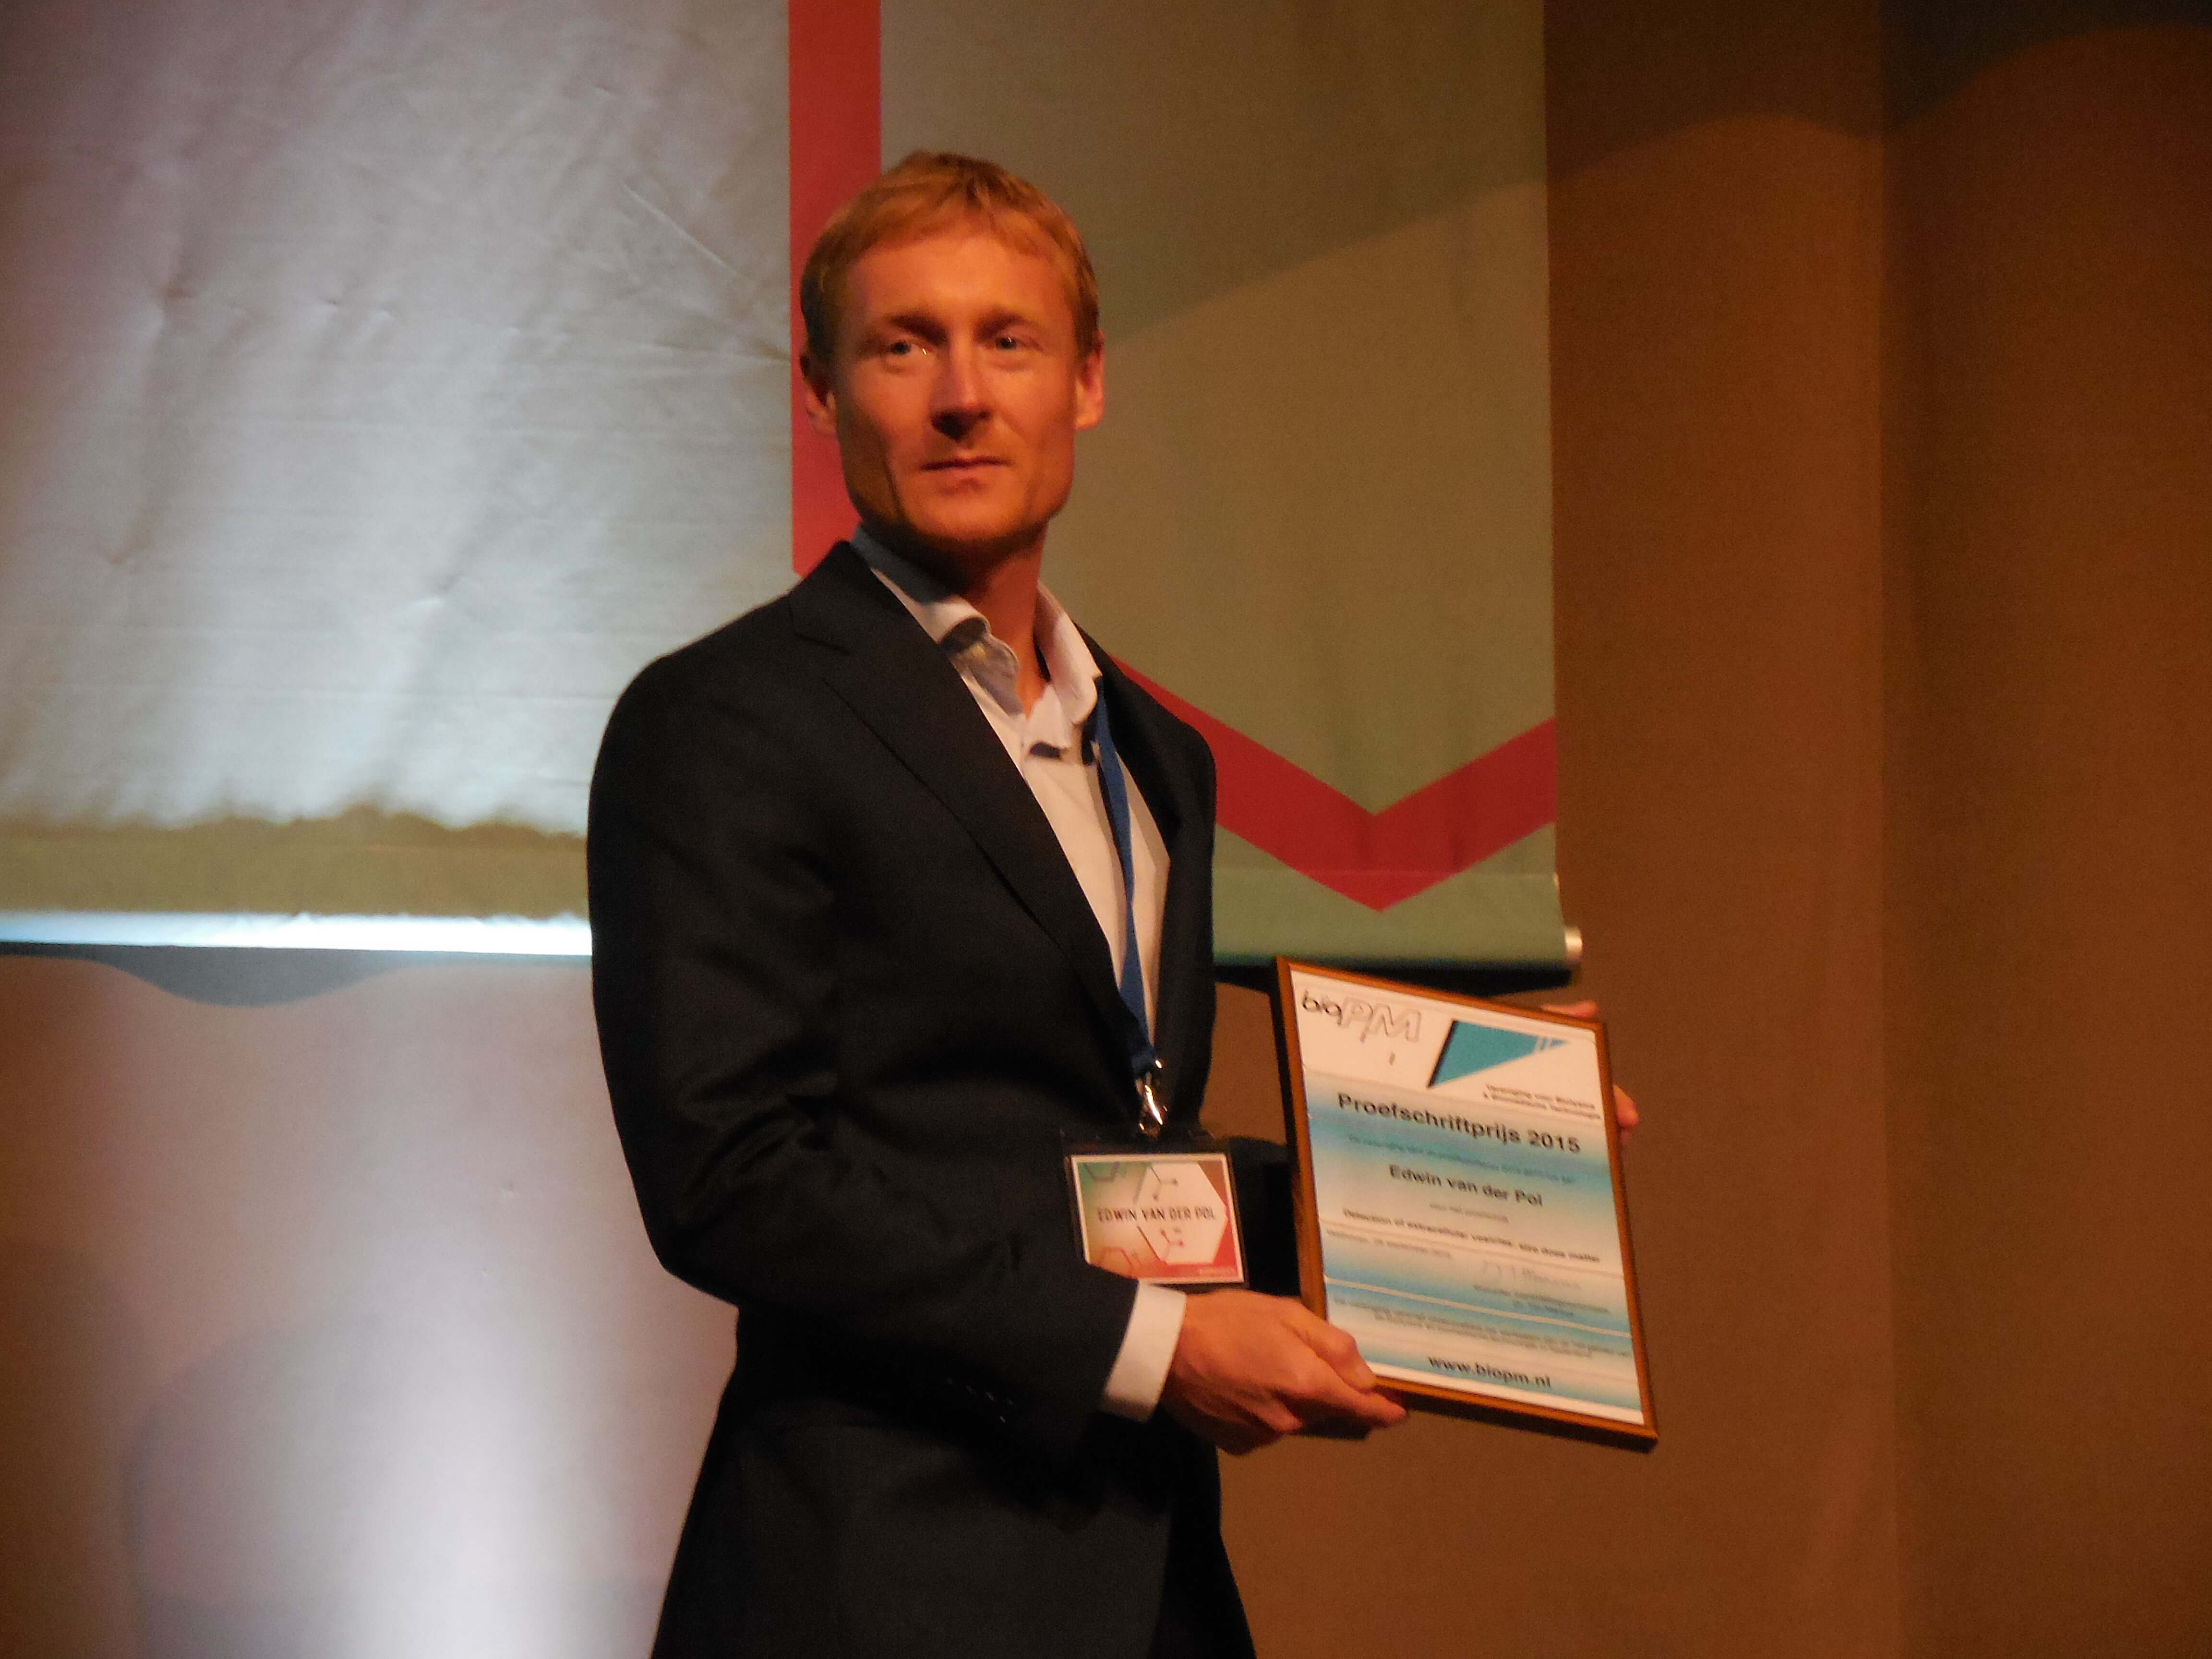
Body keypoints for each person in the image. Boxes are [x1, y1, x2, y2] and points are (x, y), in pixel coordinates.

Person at [587, 152, 1405, 1659]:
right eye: (905, 346)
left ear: (1085, 382)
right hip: (877, 1579)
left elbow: (1108, 1159)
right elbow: (734, 1175)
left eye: (1008, 341)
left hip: (1151, 1577)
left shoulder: (1157, 754)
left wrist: (1451, 1163)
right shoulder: (725, 719)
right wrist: (1152, 1349)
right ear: (823, 393)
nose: (962, 397)